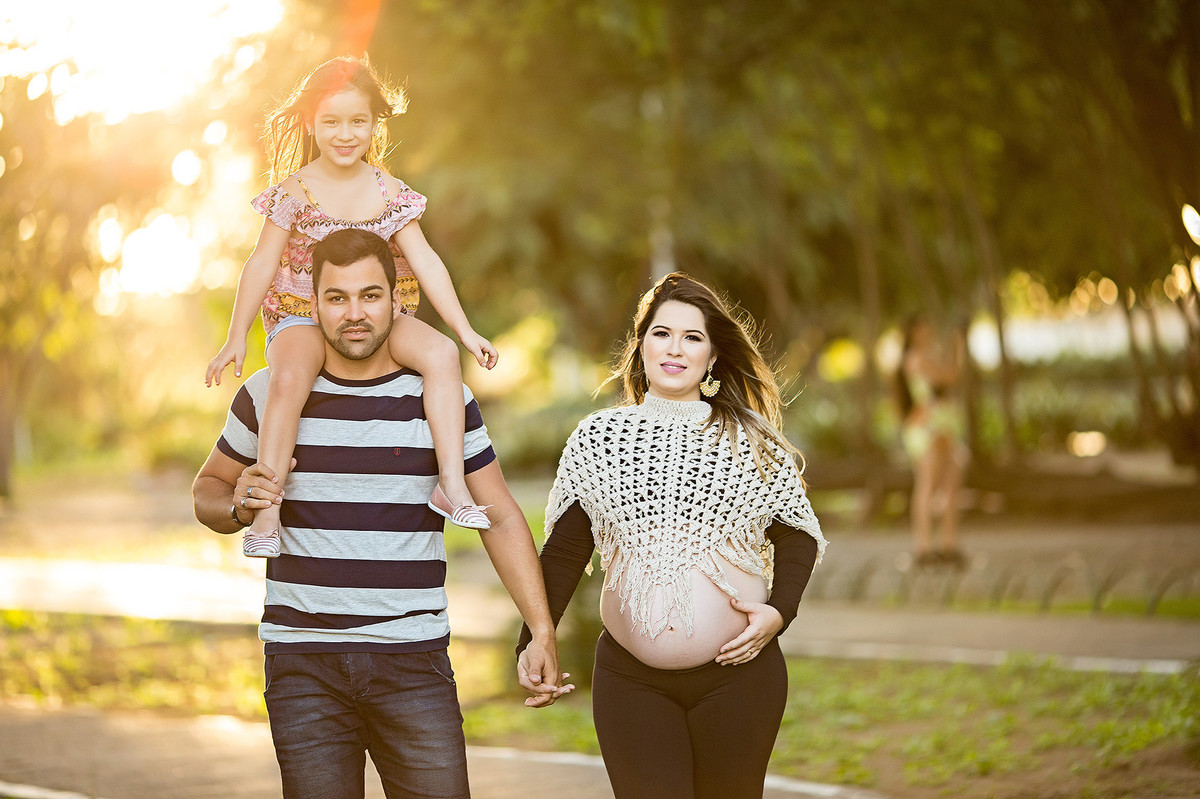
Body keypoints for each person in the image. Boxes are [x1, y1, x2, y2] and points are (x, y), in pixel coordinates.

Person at [193, 228, 570, 799]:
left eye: (370, 295)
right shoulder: (267, 395)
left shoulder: (441, 399)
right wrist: (240, 505)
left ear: (398, 300)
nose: (354, 314)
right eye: (336, 298)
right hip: (302, 666)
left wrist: (541, 629)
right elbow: (208, 493)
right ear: (312, 303)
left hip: (413, 661)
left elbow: (502, 515)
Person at [516, 273, 826, 799]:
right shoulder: (599, 439)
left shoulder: (749, 440)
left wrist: (779, 613)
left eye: (693, 337)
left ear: (712, 356)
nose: (675, 349)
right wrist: (535, 639)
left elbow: (798, 536)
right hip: (630, 682)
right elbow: (566, 552)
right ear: (640, 348)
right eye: (661, 334)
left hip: (739, 677)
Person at [205, 55, 495, 560]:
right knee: (289, 376)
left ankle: (451, 483)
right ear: (310, 122)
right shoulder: (294, 193)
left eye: (357, 121)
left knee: (443, 355)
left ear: (375, 122)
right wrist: (236, 335)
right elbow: (259, 263)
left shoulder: (390, 193)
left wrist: (465, 331)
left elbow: (426, 262)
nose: (345, 134)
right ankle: (269, 508)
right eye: (331, 122)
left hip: (379, 316)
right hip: (301, 312)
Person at [895, 316, 968, 568]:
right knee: (927, 485)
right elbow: (949, 376)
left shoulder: (927, 355)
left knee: (950, 485)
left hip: (943, 427)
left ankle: (948, 545)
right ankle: (924, 547)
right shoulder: (917, 358)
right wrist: (958, 344)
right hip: (927, 429)